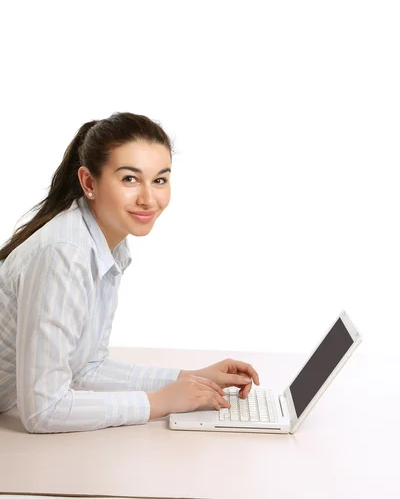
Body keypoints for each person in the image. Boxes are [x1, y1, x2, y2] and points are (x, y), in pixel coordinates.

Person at [0, 111, 259, 434]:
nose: (149, 199)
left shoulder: (109, 245)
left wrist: (188, 379)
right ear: (89, 182)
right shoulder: (65, 254)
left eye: (160, 180)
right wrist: (158, 403)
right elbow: (44, 410)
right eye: (130, 179)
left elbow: (84, 368)